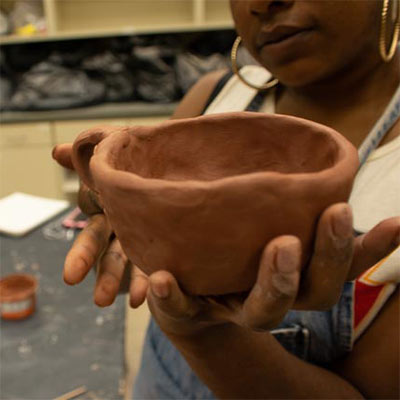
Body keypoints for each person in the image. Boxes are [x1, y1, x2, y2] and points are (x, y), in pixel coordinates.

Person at [53, 0, 400, 398]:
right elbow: (148, 226)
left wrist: (204, 333)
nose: (259, 3)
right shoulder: (214, 93)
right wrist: (113, 196)